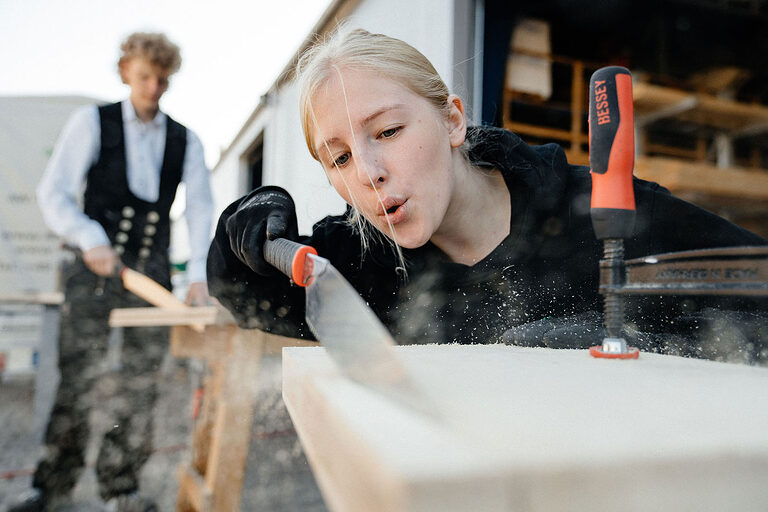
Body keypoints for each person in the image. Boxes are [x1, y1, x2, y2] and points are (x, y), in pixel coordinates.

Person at [208, 28, 766, 362]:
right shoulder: (363, 263)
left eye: (388, 132)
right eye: (340, 157)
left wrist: (645, 346)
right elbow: (241, 290)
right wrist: (251, 220)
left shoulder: (607, 217)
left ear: (453, 121)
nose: (369, 173)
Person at [11, 32, 213, 512]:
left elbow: (201, 209)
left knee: (141, 383)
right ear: (126, 72)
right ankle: (52, 487)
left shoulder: (186, 139)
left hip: (153, 276)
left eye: (162, 80)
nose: (153, 88)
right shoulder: (90, 123)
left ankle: (120, 488)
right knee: (78, 375)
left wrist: (202, 273)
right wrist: (90, 239)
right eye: (145, 77)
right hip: (92, 273)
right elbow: (53, 192)